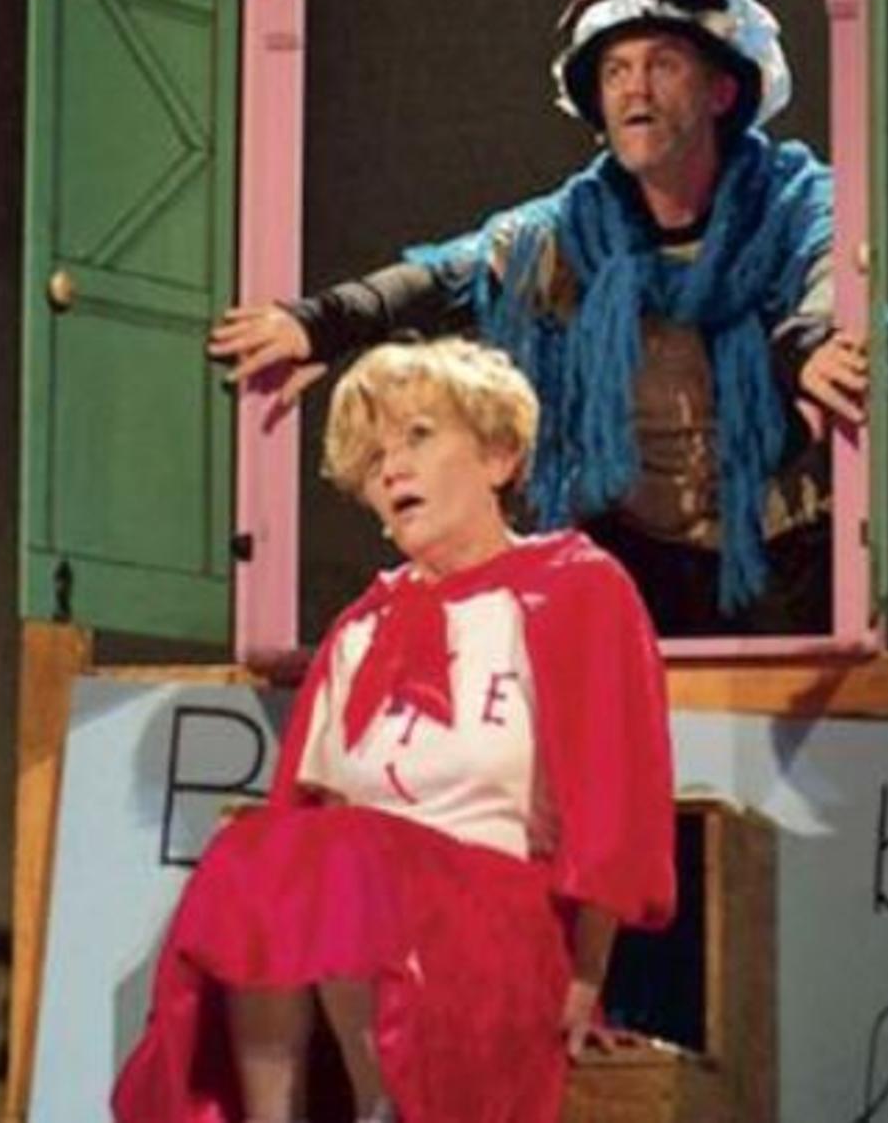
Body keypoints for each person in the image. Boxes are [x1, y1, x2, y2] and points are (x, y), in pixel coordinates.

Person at [210, 0, 869, 636]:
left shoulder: (789, 200)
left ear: (721, 91)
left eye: (664, 65)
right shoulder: (577, 222)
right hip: (637, 549)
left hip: (779, 547)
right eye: (616, 71)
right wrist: (321, 324)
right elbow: (451, 273)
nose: (636, 90)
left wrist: (812, 340)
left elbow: (840, 260)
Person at [113, 338, 675, 1123]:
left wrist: (587, 977)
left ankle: (387, 1102)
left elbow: (616, 794)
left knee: (345, 853)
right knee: (260, 849)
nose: (392, 469)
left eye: (418, 436)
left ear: (499, 457)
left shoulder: (576, 589)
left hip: (506, 925)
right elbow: (301, 822)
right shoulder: (360, 628)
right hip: (366, 938)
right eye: (374, 457)